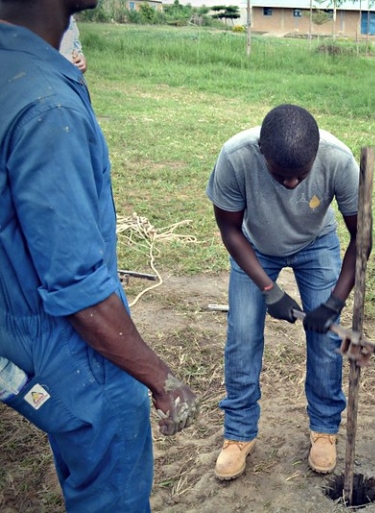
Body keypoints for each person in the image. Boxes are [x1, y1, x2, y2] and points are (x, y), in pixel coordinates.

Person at [0, 2, 199, 511]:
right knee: (110, 463)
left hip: (16, 322)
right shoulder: (48, 108)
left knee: (83, 456)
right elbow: (79, 292)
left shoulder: (15, 67)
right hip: (61, 339)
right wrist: (161, 379)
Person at [206, 104, 361, 480]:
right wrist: (268, 288)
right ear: (262, 152)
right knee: (242, 335)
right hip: (255, 246)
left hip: (317, 243)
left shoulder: (338, 161)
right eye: (281, 176)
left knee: (326, 339)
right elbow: (230, 231)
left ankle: (324, 429)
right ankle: (238, 433)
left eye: (301, 176)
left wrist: (335, 302)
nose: (292, 184)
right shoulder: (236, 157)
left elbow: (362, 238)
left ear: (314, 158)